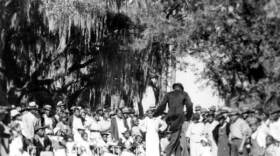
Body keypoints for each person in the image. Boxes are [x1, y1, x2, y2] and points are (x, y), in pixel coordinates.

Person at [153, 83, 193, 156]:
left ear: (174, 88)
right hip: (180, 117)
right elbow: (189, 105)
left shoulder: (169, 94)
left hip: (170, 117)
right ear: (181, 88)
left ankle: (176, 154)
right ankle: (166, 152)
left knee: (177, 138)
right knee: (176, 137)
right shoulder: (184, 94)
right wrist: (188, 116)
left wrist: (155, 114)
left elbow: (162, 105)